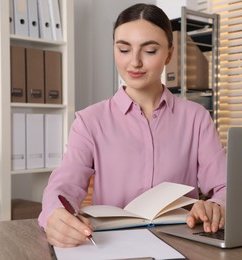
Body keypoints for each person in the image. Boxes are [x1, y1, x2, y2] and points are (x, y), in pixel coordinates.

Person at [38, 3, 226, 248]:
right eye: (124, 49)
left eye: (149, 51)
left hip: (184, 244)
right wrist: (54, 215)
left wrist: (217, 206)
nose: (134, 62)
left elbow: (225, 186)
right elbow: (64, 184)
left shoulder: (197, 118)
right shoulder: (89, 121)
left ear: (168, 54)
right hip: (111, 245)